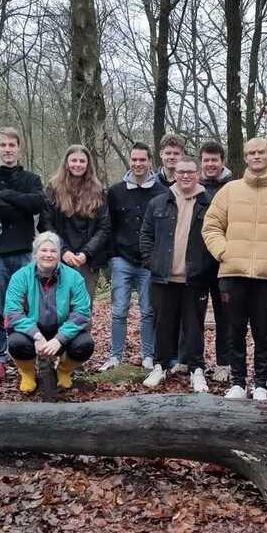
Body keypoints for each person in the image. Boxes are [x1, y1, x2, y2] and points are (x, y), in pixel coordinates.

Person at [202, 137, 267, 401]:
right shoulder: (229, 191)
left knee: (264, 332)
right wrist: (224, 252)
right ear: (245, 158)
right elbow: (210, 227)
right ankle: (237, 382)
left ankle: (260, 384)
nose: (256, 156)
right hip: (233, 273)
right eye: (251, 153)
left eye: (261, 152)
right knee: (234, 329)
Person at [0, 127, 44, 382]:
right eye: (3, 145)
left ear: (18, 147)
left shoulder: (31, 179)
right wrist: (17, 206)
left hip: (24, 252)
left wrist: (5, 196)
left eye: (12, 145)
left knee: (27, 307)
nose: (8, 149)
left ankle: (26, 356)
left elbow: (36, 204)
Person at [140, 156, 216, 392]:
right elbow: (146, 236)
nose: (185, 176)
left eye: (190, 172)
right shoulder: (159, 202)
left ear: (198, 174)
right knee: (163, 324)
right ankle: (160, 366)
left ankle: (196, 369)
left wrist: (206, 267)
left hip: (195, 279)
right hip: (163, 278)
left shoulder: (210, 203)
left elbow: (217, 236)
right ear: (174, 174)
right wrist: (152, 262)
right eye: (181, 172)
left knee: (194, 327)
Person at [100, 142, 168, 371]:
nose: (138, 164)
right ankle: (115, 356)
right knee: (119, 310)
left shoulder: (161, 192)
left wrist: (157, 258)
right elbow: (108, 226)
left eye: (142, 159)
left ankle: (148, 355)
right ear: (129, 161)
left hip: (149, 262)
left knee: (148, 310)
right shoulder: (116, 191)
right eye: (134, 160)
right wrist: (111, 258)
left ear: (150, 161)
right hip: (121, 259)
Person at [4, 232, 93, 394]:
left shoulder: (74, 278)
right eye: (43, 250)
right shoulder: (20, 277)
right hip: (32, 332)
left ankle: (64, 371)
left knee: (85, 345)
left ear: (59, 255)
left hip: (62, 330)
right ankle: (28, 373)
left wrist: (60, 339)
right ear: (35, 254)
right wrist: (36, 335)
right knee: (16, 343)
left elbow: (82, 313)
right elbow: (13, 312)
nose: (48, 255)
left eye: (53, 251)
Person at [39, 144, 110, 302]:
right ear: (66, 163)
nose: (78, 164)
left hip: (87, 260)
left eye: (82, 161)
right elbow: (45, 223)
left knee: (82, 309)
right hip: (58, 256)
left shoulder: (99, 191)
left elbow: (104, 227)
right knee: (56, 307)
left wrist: (86, 253)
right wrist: (63, 251)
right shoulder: (52, 189)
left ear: (88, 164)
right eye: (74, 160)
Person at [199, 141, 233, 382]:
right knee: (193, 315)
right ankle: (194, 363)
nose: (210, 164)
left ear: (222, 161)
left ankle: (224, 363)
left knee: (225, 317)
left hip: (225, 262)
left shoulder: (234, 187)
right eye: (206, 160)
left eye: (214, 160)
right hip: (198, 262)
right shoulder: (193, 186)